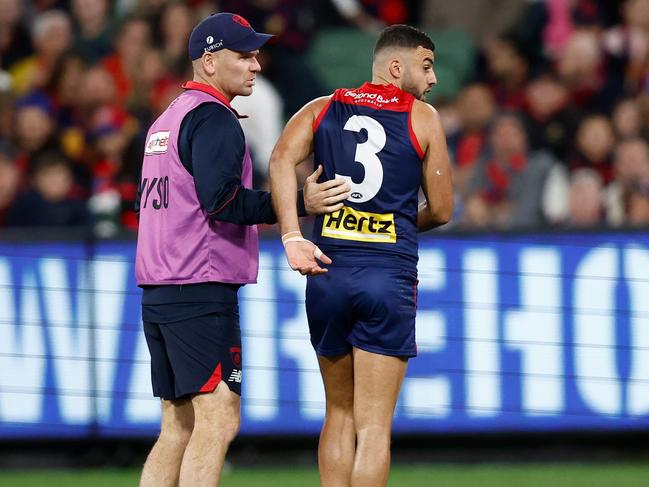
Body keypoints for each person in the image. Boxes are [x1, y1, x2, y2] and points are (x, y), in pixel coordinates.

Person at [135, 12, 349, 487]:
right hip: (199, 285)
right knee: (218, 417)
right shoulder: (213, 119)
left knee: (179, 425)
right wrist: (298, 202)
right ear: (209, 62)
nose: (256, 65)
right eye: (244, 55)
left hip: (161, 286)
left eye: (256, 54)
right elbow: (223, 201)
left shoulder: (167, 119)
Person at [269, 24, 453, 487]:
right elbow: (444, 209)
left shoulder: (322, 107)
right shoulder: (422, 117)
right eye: (426, 66)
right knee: (373, 427)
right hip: (386, 277)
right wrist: (400, 221)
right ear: (397, 67)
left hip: (328, 272)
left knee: (338, 413)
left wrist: (292, 233)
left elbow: (278, 159)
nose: (432, 79)